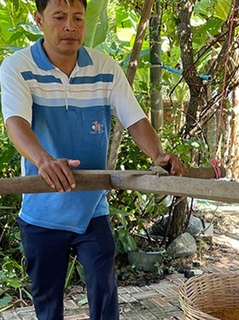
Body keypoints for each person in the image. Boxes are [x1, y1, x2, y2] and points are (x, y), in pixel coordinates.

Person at [0, 0, 185, 318]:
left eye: (78, 17)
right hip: (42, 212)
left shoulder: (105, 67)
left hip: (92, 210)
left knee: (104, 290)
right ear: (39, 19)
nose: (69, 26)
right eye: (59, 17)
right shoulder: (17, 67)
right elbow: (16, 123)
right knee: (48, 304)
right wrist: (44, 160)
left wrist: (159, 155)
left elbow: (136, 120)